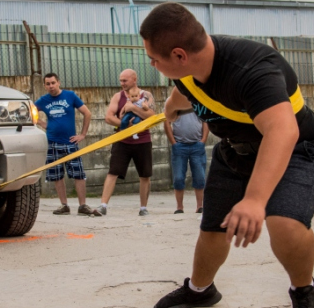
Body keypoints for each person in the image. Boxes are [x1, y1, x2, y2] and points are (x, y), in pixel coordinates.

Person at [140, 2, 314, 308]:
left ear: (180, 55)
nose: (151, 64)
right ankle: (200, 291)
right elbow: (183, 94)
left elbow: (283, 132)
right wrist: (169, 111)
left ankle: (303, 290)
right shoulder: (189, 71)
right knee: (214, 229)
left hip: (296, 150)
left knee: (284, 223)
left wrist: (256, 200)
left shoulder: (254, 70)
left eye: (155, 59)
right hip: (236, 151)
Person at [34, 73, 101, 216]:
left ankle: (82, 205)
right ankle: (64, 205)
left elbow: (87, 113)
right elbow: (29, 111)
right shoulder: (43, 100)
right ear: (45, 86)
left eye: (53, 83)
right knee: (57, 176)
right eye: (48, 84)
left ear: (58, 82)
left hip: (70, 142)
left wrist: (82, 135)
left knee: (79, 174)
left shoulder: (70, 96)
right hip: (52, 142)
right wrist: (41, 123)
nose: (51, 86)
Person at [97, 69, 156, 217]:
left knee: (145, 175)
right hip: (122, 140)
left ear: (134, 80)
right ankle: (103, 206)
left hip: (142, 140)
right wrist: (127, 127)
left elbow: (152, 116)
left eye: (125, 80)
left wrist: (133, 109)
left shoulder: (146, 95)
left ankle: (143, 208)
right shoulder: (118, 96)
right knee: (113, 172)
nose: (122, 83)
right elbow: (109, 117)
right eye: (121, 80)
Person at [164, 109, 209, 214]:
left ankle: (200, 206)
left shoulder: (198, 100)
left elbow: (205, 121)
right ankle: (179, 207)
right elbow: (166, 122)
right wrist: (173, 143)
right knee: (178, 177)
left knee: (199, 176)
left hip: (197, 144)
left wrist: (203, 141)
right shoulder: (173, 102)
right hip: (179, 145)